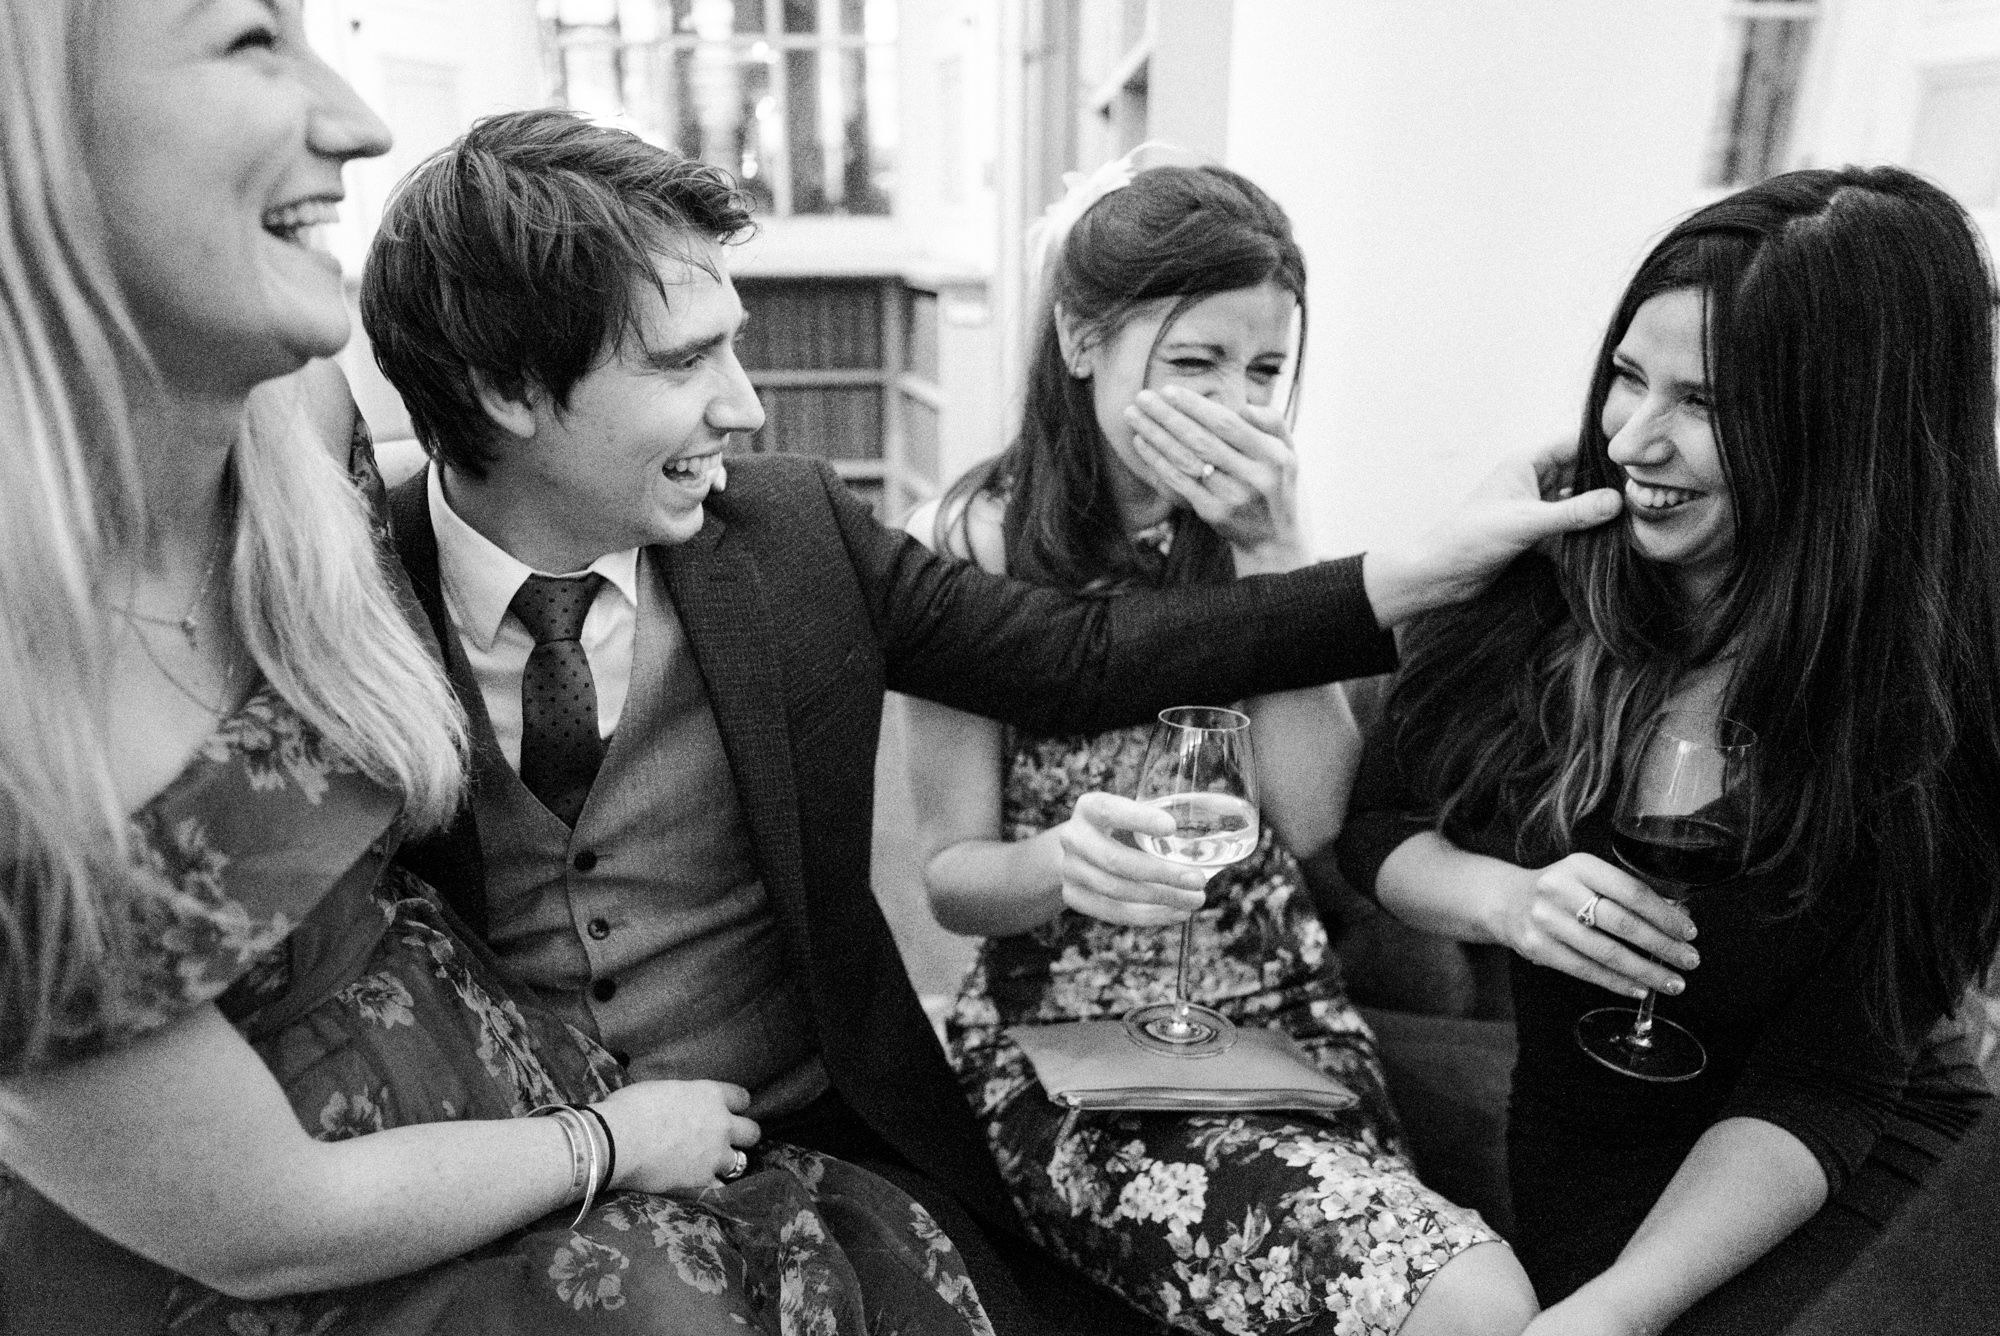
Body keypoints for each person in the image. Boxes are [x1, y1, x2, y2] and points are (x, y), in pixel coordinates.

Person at [359, 108, 1622, 1334]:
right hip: (512, 1172)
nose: (747, 407)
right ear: (506, 389)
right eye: (688, 361)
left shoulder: (792, 532)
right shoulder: (349, 592)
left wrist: (1401, 569)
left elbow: (1072, 659)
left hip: (813, 1133)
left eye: (1264, 368)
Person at [0, 3, 1003, 1332]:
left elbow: (1061, 646)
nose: (356, 121)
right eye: (251, 40)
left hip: (526, 1108)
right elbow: (262, 1228)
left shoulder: (292, 425)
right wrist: (607, 1143)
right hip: (337, 1257)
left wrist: (1365, 594)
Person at [1336, 165, 2000, 1335]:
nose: (1632, 438)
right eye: (1625, 379)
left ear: (1845, 431)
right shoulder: (1549, 548)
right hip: (1581, 1155)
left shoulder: (1944, 676)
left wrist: (1617, 1311)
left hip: (1818, 1173)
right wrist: (1505, 900)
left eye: (1702, 402)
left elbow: (1830, 1080)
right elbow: (1377, 829)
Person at [899, 149, 1534, 1336]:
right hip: (1070, 1037)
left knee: (1440, 1283)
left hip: (1280, 1012)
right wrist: (1059, 863)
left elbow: (1315, 823)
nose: (1234, 409)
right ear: (1081, 340)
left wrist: (1273, 556)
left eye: (1263, 370)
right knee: (1470, 1299)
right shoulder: (963, 549)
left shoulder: (1250, 536)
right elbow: (948, 879)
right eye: (1192, 363)